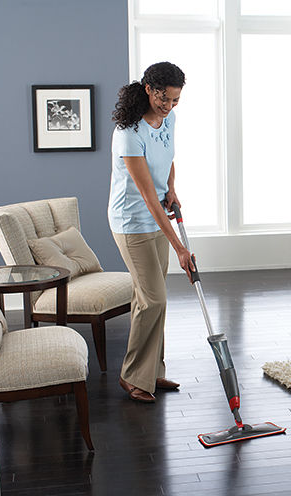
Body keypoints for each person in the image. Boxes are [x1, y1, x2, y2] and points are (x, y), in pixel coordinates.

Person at [109, 61, 195, 403]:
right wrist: (180, 248)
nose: (169, 106)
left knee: (150, 299)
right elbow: (146, 196)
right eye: (164, 98)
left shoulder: (168, 119)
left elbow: (169, 157)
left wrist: (172, 187)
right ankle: (132, 376)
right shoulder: (128, 132)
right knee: (153, 299)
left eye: (175, 100)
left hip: (157, 217)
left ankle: (152, 372)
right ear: (149, 89)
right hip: (132, 223)